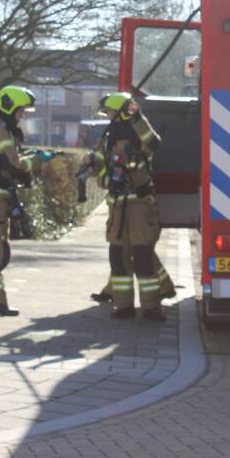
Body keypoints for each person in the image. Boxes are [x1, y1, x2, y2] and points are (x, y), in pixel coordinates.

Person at [0, 85, 54, 317]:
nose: (22, 116)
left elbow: (10, 161)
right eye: (20, 112)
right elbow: (13, 165)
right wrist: (38, 161)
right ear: (8, 107)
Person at [86, 92, 166, 321]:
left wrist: (137, 117)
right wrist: (107, 178)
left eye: (111, 113)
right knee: (118, 257)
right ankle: (123, 307)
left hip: (140, 204)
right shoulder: (108, 139)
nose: (109, 117)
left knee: (142, 256)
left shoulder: (139, 132)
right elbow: (99, 171)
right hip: (117, 207)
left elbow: (154, 142)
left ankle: (151, 308)